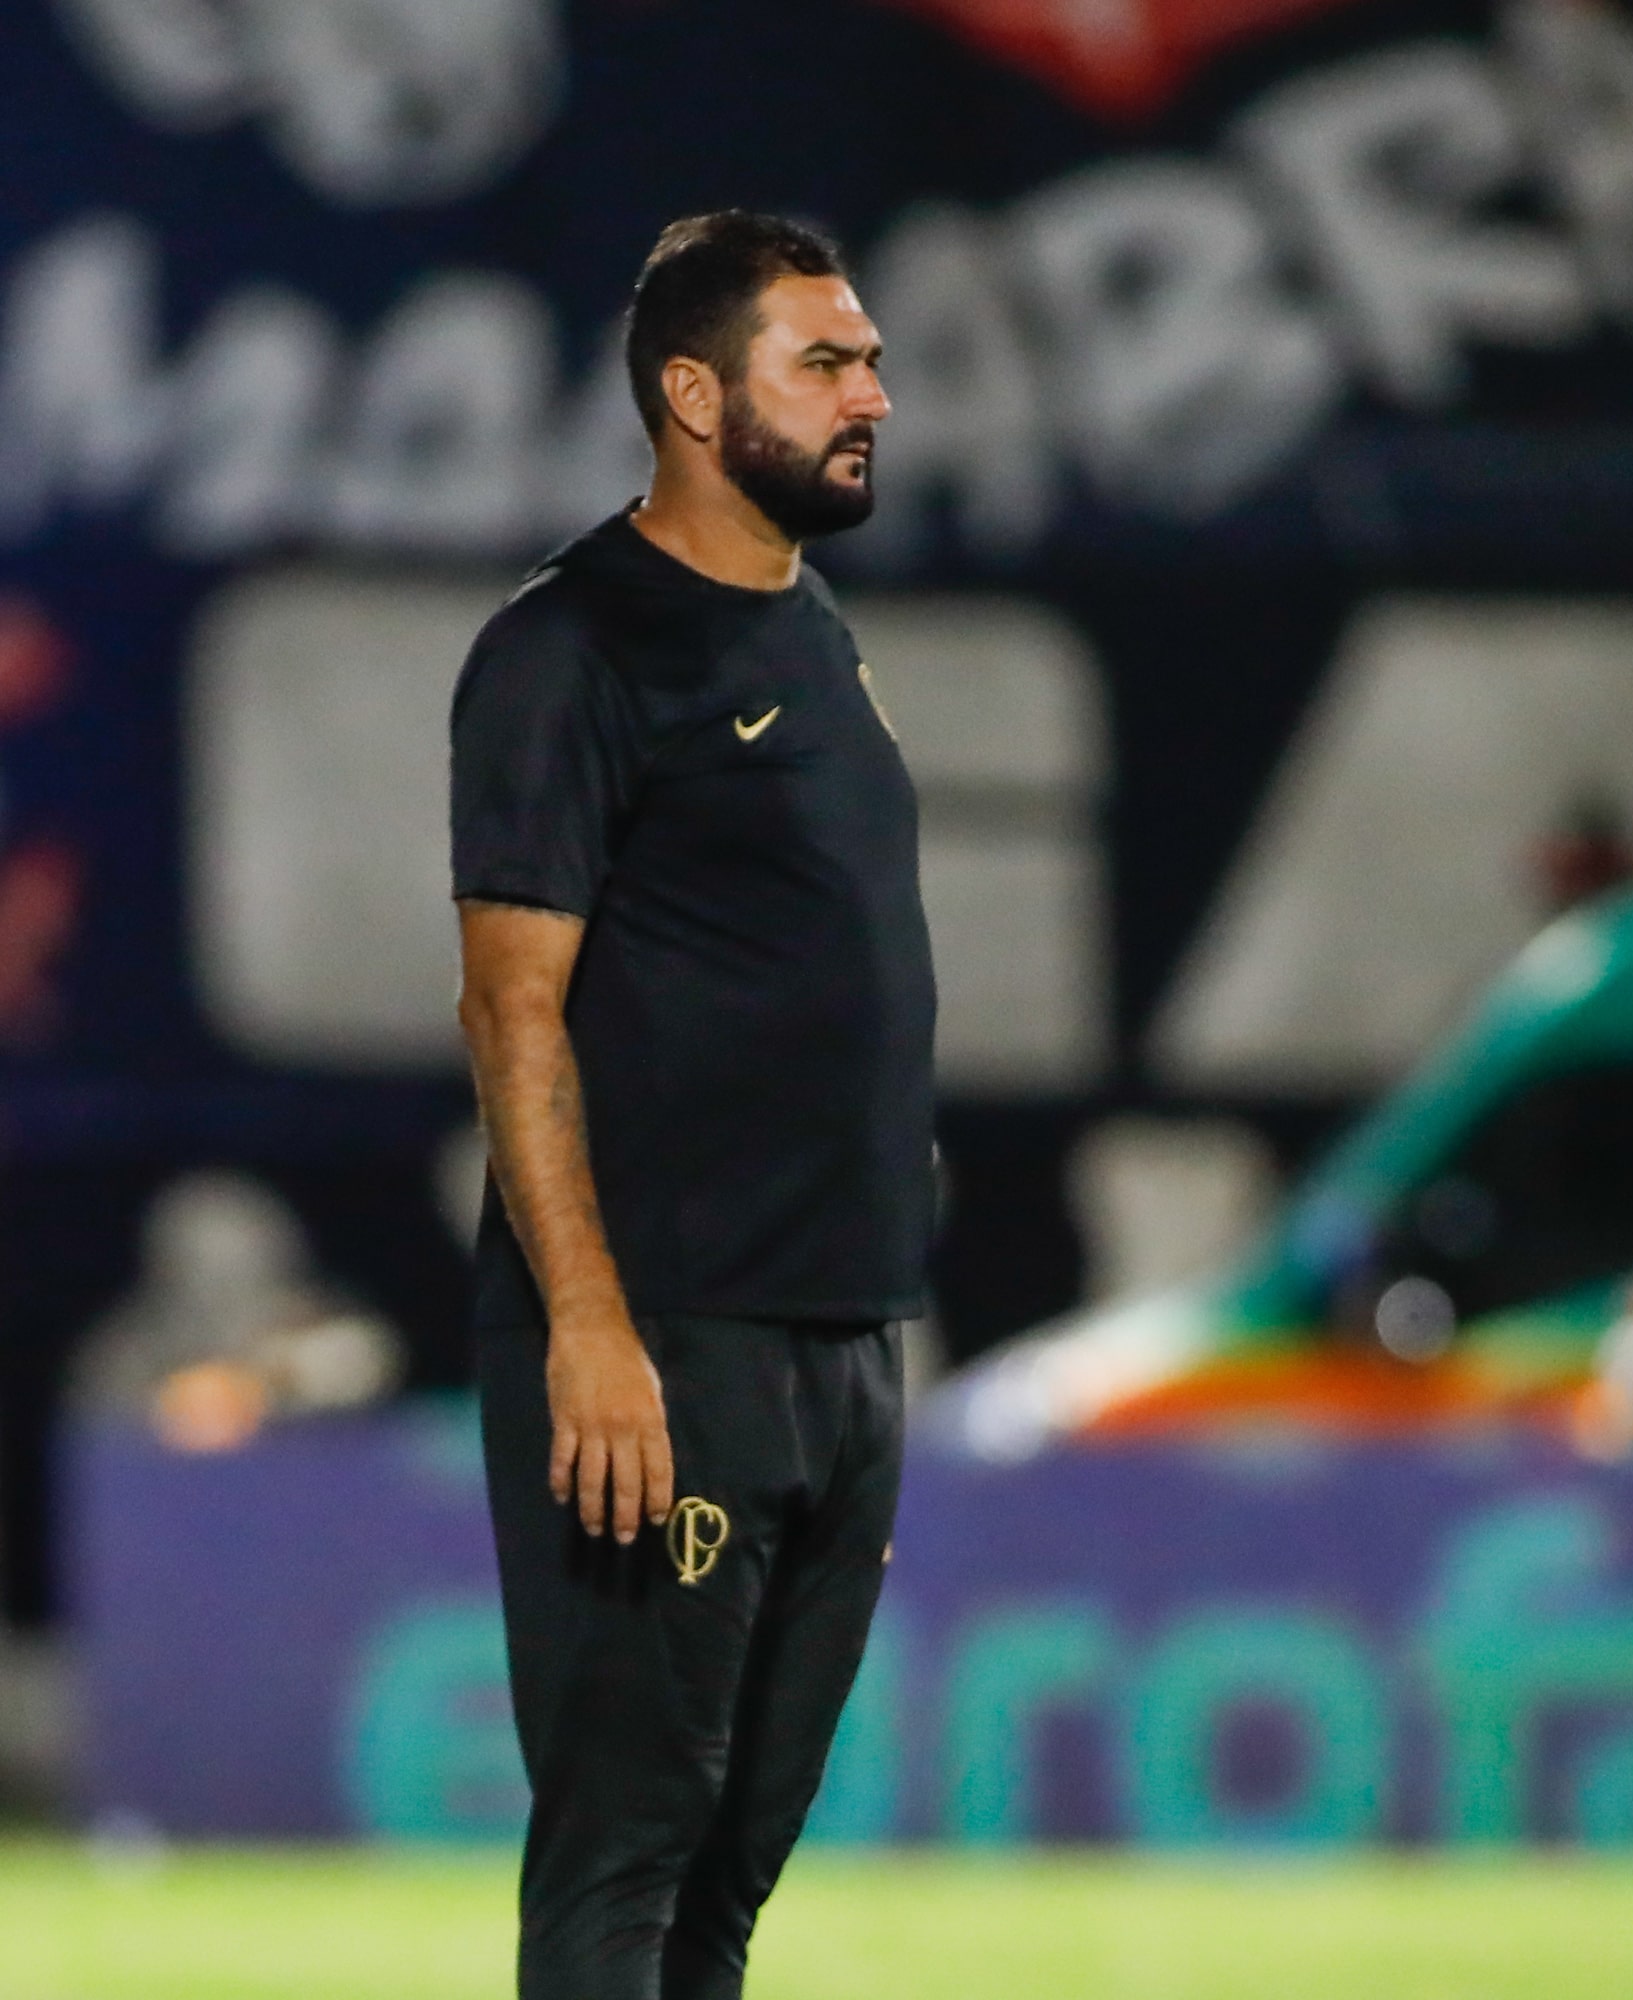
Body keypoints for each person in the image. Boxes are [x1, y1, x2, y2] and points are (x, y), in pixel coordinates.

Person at [448, 211, 934, 2000]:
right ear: (691, 393)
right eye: (825, 362)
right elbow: (514, 1006)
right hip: (664, 1346)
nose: (872, 394)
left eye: (869, 358)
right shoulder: (571, 651)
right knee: (624, 1869)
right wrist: (587, 1320)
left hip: (841, 1340)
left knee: (725, 1885)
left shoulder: (813, 632)